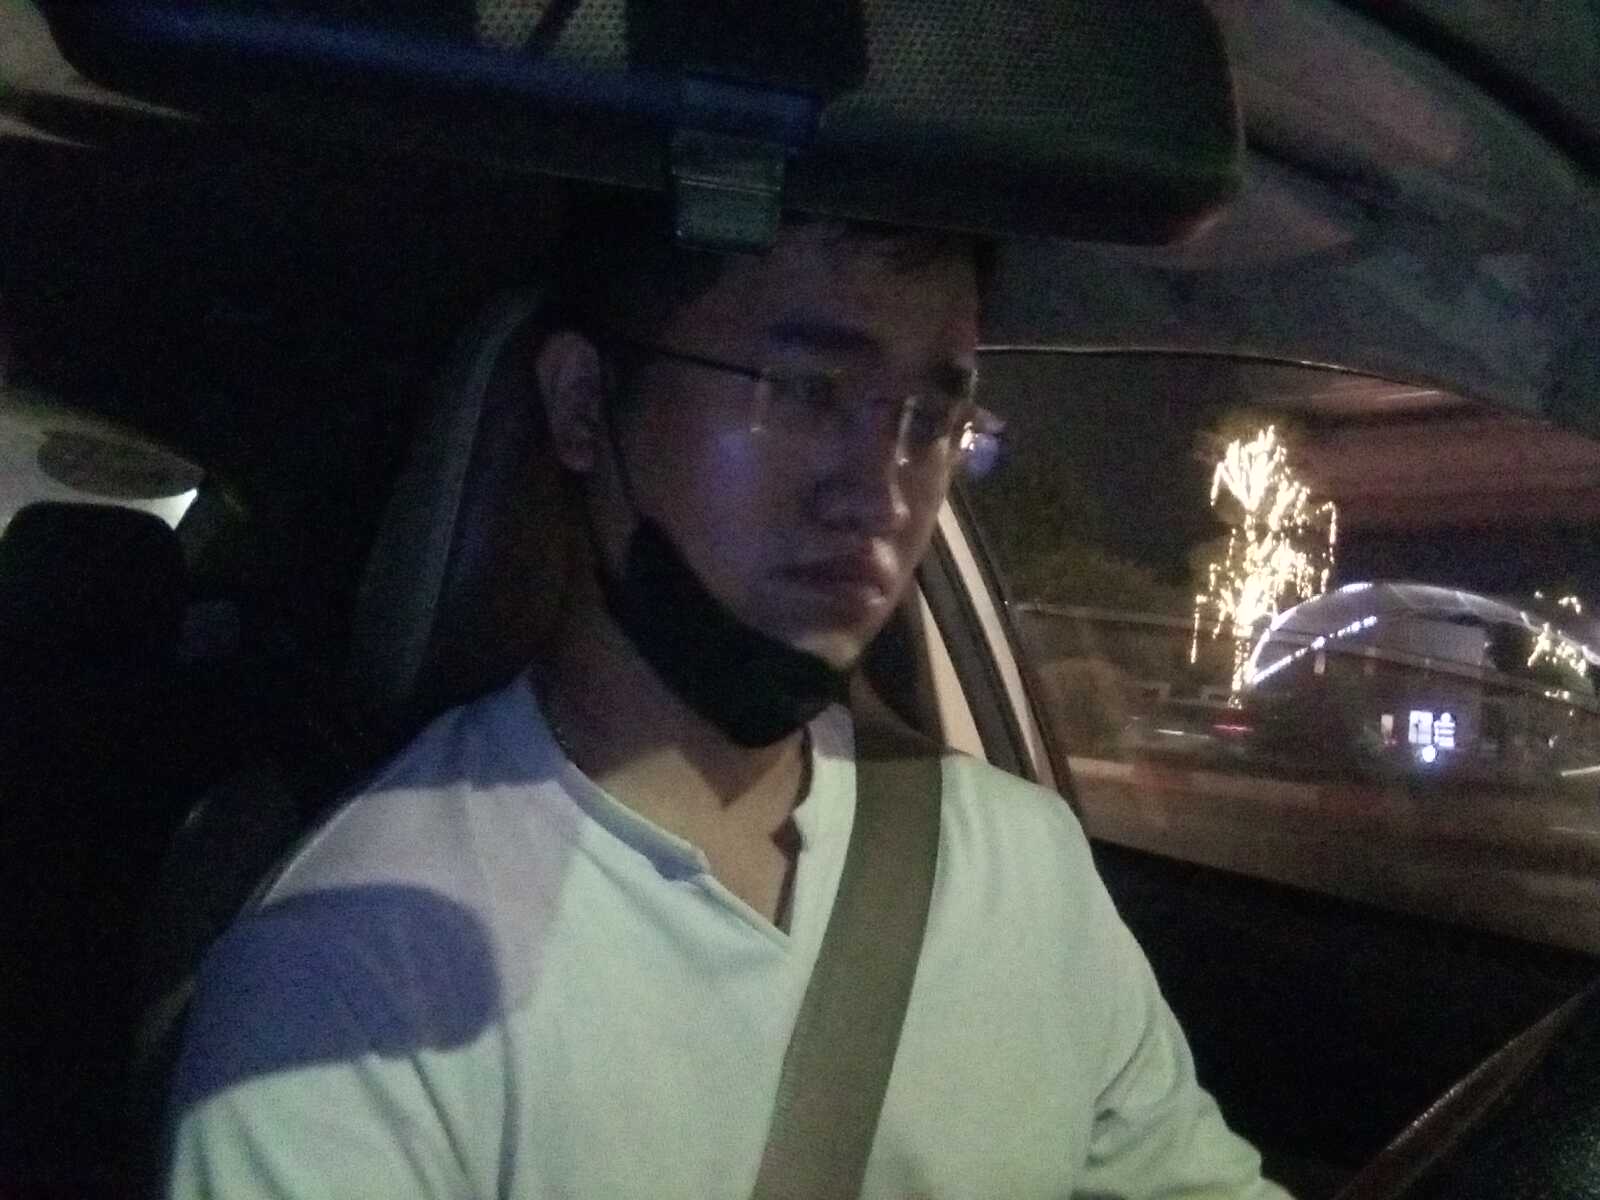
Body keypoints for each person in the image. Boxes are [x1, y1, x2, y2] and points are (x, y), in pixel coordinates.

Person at [163, 197, 1293, 1199]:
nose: (881, 494)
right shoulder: (354, 972)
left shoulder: (1020, 865)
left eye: (928, 419)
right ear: (582, 403)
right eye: (806, 392)